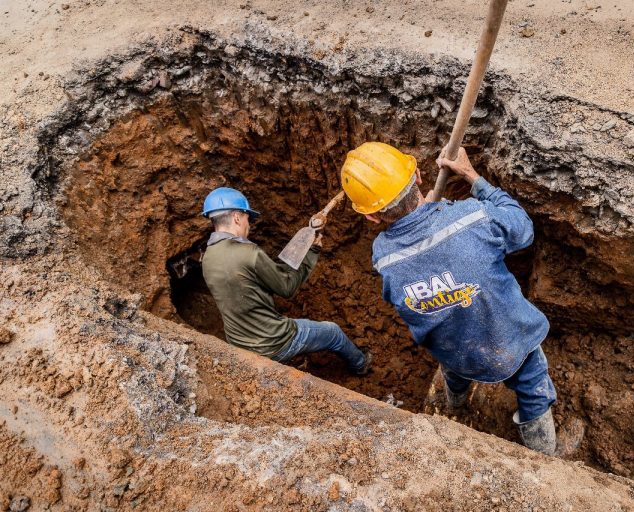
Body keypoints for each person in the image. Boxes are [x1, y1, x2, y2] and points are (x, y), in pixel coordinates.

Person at [340, 141, 570, 455]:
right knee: (534, 390)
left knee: (455, 375)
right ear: (418, 176)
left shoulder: (383, 256)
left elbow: (418, 252)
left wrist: (432, 214)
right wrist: (472, 176)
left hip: (453, 351)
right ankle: (544, 455)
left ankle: (454, 404)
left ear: (372, 218)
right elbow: (522, 229)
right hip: (511, 342)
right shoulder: (472, 218)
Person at [200, 187, 372, 374]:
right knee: (332, 332)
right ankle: (361, 364)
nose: (248, 226)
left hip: (239, 343)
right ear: (236, 217)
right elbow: (287, 287)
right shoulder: (248, 253)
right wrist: (312, 252)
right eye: (247, 219)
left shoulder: (207, 257)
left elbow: (250, 281)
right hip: (271, 343)